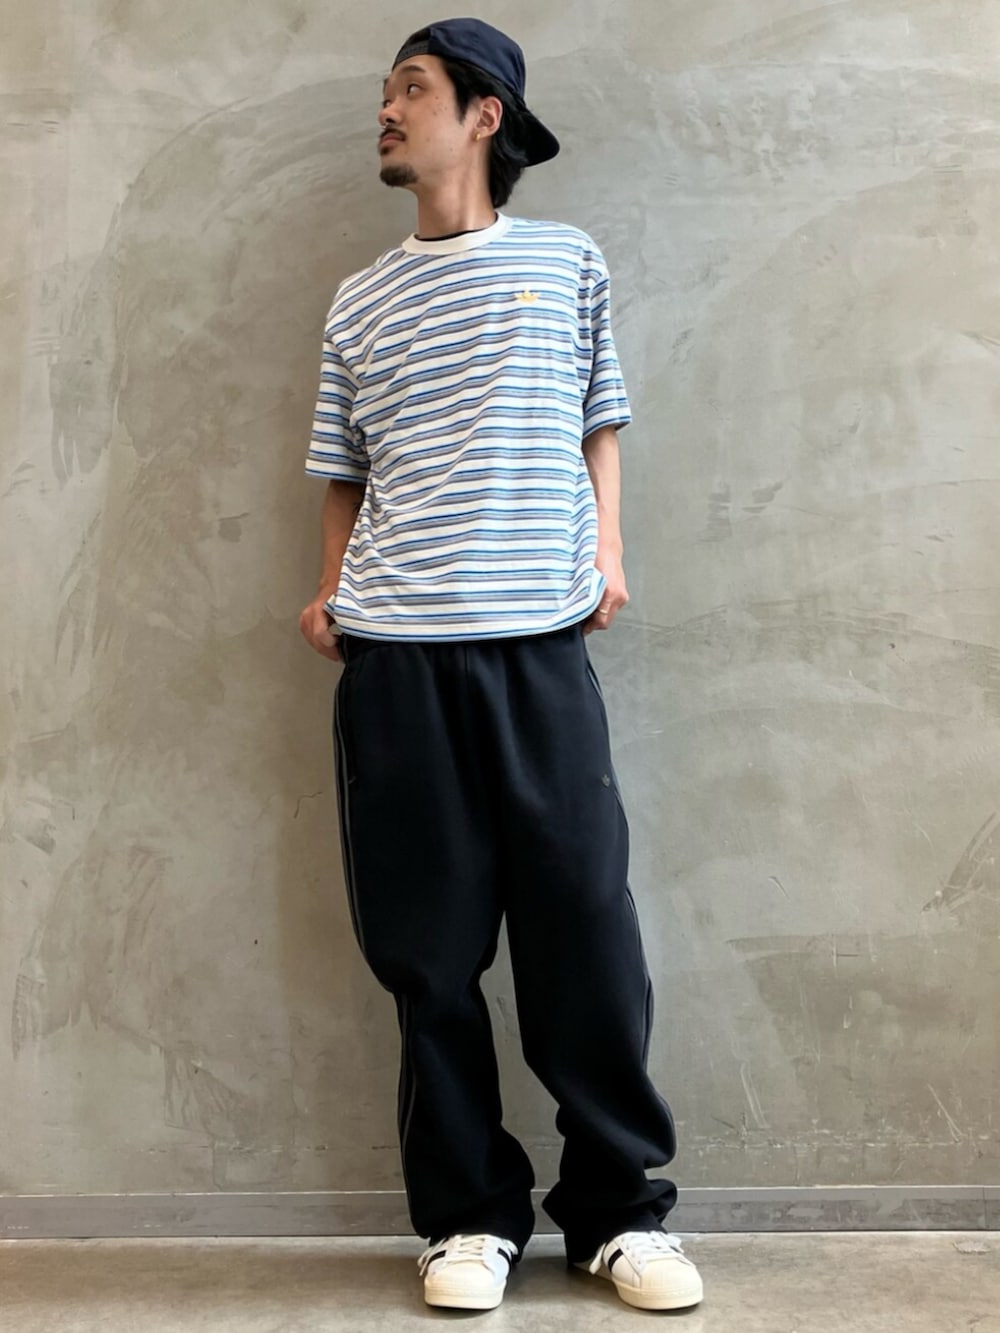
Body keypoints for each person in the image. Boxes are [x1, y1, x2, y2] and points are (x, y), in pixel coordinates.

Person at [298, 17, 703, 1315]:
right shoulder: (359, 299)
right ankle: (468, 1216)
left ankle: (618, 1213)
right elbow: (343, 469)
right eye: (385, 90)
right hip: (397, 660)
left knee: (585, 927)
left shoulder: (563, 261)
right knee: (428, 954)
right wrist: (330, 589)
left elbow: (600, 420)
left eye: (411, 88)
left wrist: (610, 551)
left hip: (537, 642)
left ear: (485, 114)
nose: (386, 109)